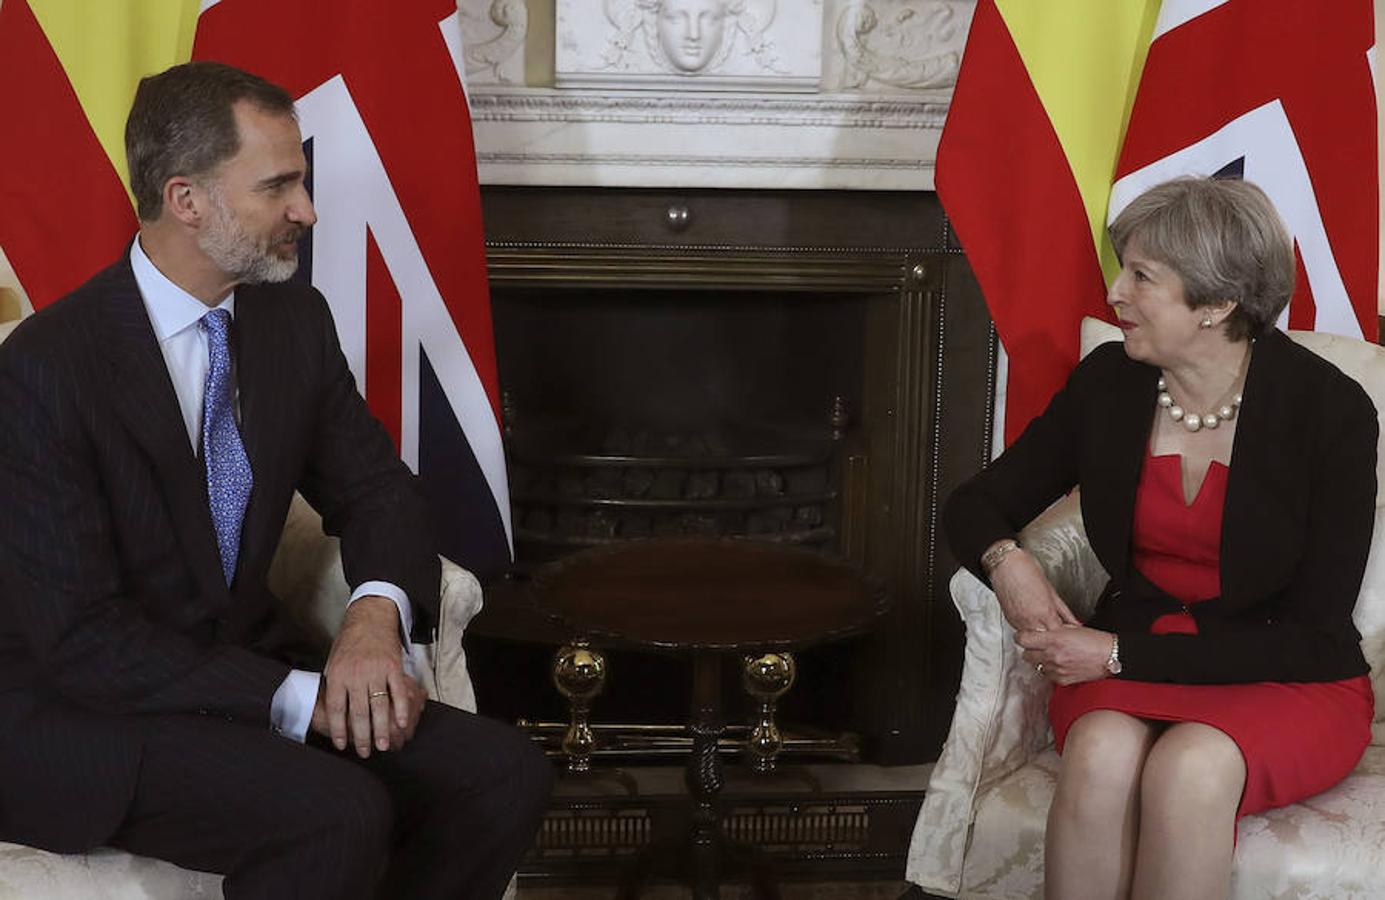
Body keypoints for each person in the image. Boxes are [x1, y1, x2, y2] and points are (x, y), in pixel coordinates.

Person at [0, 61, 552, 900]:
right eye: (279, 185)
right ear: (187, 200)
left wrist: (373, 618)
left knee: (502, 771)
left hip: (236, 677)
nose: (308, 209)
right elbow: (82, 641)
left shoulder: (292, 321)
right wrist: (296, 695)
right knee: (335, 812)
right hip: (82, 719)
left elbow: (378, 490)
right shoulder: (46, 368)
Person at [944, 177, 1376, 900]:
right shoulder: (1108, 383)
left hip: (1280, 676)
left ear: (1215, 305)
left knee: (1190, 769)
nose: (1114, 293)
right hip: (1128, 660)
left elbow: (1311, 635)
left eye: (1141, 276)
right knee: (1101, 753)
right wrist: (1008, 562)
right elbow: (975, 503)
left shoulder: (1329, 412)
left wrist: (1114, 654)